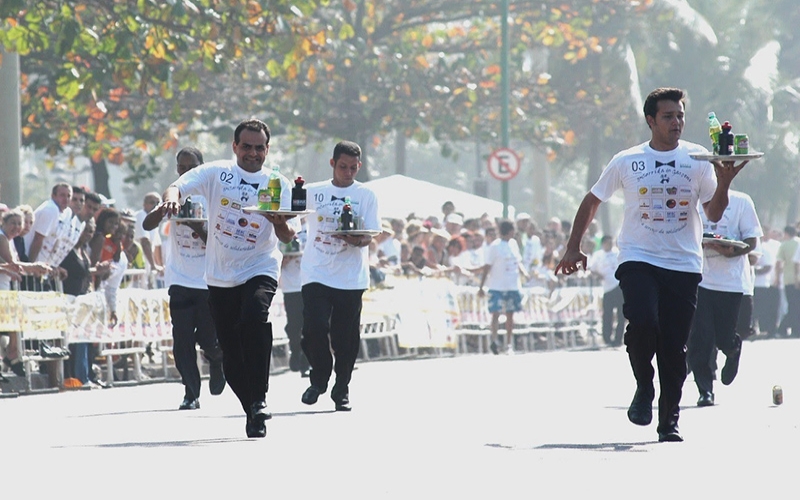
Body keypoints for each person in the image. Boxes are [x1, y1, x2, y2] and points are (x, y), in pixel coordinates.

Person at [554, 87, 747, 442]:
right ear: (651, 120)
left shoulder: (699, 158)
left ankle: (669, 421)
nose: (677, 123)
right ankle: (645, 385)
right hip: (638, 258)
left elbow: (715, 212)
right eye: (668, 116)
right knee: (642, 321)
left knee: (674, 346)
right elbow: (593, 199)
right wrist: (573, 247)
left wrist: (724, 182)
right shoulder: (627, 160)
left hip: (684, 264)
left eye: (680, 116)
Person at [157, 119, 296, 438]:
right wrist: (172, 199)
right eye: (246, 146)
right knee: (231, 351)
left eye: (259, 147)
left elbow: (288, 232)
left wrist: (278, 225)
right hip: (220, 275)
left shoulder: (278, 183)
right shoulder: (217, 173)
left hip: (259, 265)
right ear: (235, 147)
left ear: (267, 149)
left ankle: (259, 399)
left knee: (254, 317)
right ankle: (251, 409)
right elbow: (177, 186)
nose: (252, 153)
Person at [299, 140, 380, 412]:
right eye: (343, 166)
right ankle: (319, 377)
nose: (348, 172)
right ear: (332, 164)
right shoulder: (313, 192)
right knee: (312, 329)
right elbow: (289, 216)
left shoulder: (366, 195)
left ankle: (341, 388)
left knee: (346, 338)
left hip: (350, 277)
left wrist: (354, 239)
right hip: (316, 272)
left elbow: (369, 235)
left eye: (353, 168)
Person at [143, 147, 226, 410]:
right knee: (182, 341)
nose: (185, 172)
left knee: (209, 339)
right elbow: (147, 225)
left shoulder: (211, 196)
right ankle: (191, 392)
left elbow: (219, 240)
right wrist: (163, 210)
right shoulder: (173, 194)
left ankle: (216, 359)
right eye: (181, 167)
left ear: (201, 167)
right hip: (179, 280)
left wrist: (195, 225)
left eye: (190, 167)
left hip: (206, 282)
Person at [687, 190, 761, 407]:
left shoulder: (741, 201)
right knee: (701, 338)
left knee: (723, 336)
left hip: (730, 282)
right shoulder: (692, 199)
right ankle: (705, 390)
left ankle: (732, 348)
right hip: (698, 279)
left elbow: (751, 241)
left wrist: (732, 252)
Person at [478, 220, 529, 355]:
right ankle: (494, 340)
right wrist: (481, 286)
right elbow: (487, 266)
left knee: (510, 315)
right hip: (497, 286)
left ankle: (508, 343)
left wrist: (524, 273)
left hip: (512, 285)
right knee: (495, 313)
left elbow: (517, 261)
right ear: (509, 231)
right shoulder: (494, 246)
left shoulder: (513, 244)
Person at [588, 235, 625, 346]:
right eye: (607, 243)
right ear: (603, 243)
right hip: (607, 288)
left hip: (618, 285)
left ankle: (618, 338)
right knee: (607, 314)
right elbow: (591, 269)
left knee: (620, 314)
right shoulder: (598, 255)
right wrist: (598, 275)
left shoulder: (617, 253)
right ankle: (607, 337)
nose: (610, 244)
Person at [135, 192, 164, 277]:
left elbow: (158, 246)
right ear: (144, 204)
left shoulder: (154, 220)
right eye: (152, 202)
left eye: (158, 203)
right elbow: (145, 242)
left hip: (147, 267)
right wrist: (153, 265)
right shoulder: (141, 215)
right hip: (137, 265)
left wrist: (161, 267)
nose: (155, 205)